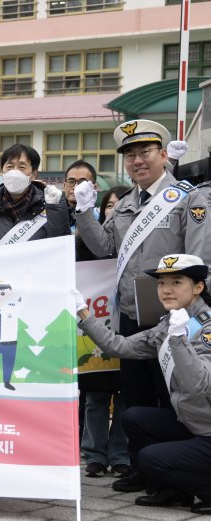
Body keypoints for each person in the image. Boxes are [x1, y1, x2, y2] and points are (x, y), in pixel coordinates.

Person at [73, 120, 211, 490]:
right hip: (133, 316)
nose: (137, 161)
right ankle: (140, 467)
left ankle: (174, 470)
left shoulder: (188, 197)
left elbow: (199, 260)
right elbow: (104, 247)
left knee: (172, 393)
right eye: (130, 155)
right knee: (134, 394)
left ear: (163, 156)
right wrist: (85, 212)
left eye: (144, 153)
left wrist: (188, 310)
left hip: (176, 319)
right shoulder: (125, 206)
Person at [74, 254, 211, 514]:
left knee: (150, 459)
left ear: (198, 287)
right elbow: (121, 346)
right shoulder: (170, 323)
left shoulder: (205, 329)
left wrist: (180, 340)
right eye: (161, 283)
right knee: (135, 417)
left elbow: (198, 385)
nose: (166, 289)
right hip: (195, 423)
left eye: (177, 282)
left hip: (207, 431)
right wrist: (83, 313)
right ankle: (176, 492)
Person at [78, 186, 131, 478]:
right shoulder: (86, 243)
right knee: (96, 396)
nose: (113, 211)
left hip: (127, 327)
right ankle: (94, 454)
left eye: (119, 206)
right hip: (95, 328)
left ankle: (121, 454)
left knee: (125, 394)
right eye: (109, 206)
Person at [0, 144, 69, 245]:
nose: (14, 173)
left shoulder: (49, 210)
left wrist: (55, 209)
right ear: (2, 172)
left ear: (33, 174)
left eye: (22, 167)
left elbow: (61, 248)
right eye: (9, 167)